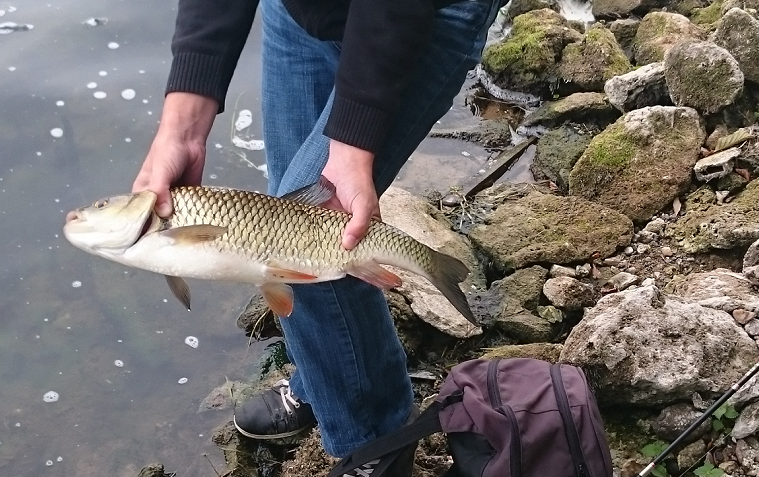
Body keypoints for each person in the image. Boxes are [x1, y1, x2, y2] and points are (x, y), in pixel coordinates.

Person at [132, 0, 503, 473]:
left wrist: (355, 139)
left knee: (306, 249)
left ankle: (375, 447)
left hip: (418, 12)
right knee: (282, 213)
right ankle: (324, 382)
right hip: (300, 13)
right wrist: (182, 125)